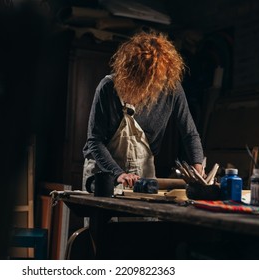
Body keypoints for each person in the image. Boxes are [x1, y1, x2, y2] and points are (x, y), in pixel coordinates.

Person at [82, 30, 204, 191]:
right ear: (131, 74)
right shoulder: (108, 88)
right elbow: (94, 141)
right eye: (145, 81)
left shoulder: (171, 88)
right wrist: (118, 174)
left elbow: (189, 133)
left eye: (156, 81)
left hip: (143, 174)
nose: (150, 88)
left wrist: (198, 168)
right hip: (104, 173)